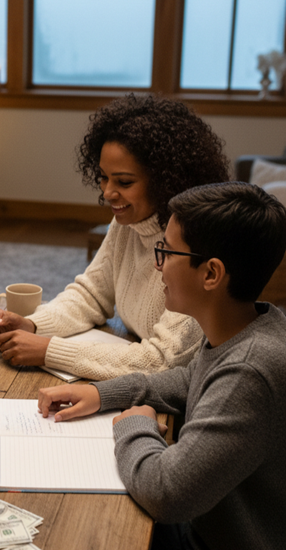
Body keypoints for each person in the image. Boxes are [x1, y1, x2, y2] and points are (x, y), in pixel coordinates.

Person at [38, 182, 286, 550]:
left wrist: (135, 425)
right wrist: (100, 393)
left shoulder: (250, 372)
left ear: (211, 274)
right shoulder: (248, 324)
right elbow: (191, 379)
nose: (158, 266)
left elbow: (168, 493)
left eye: (167, 253)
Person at [0, 94, 231, 380]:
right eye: (103, 177)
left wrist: (49, 349)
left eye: (124, 181)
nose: (107, 193)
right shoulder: (128, 223)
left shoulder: (193, 245)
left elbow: (162, 360)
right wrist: (32, 325)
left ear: (166, 180)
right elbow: (91, 294)